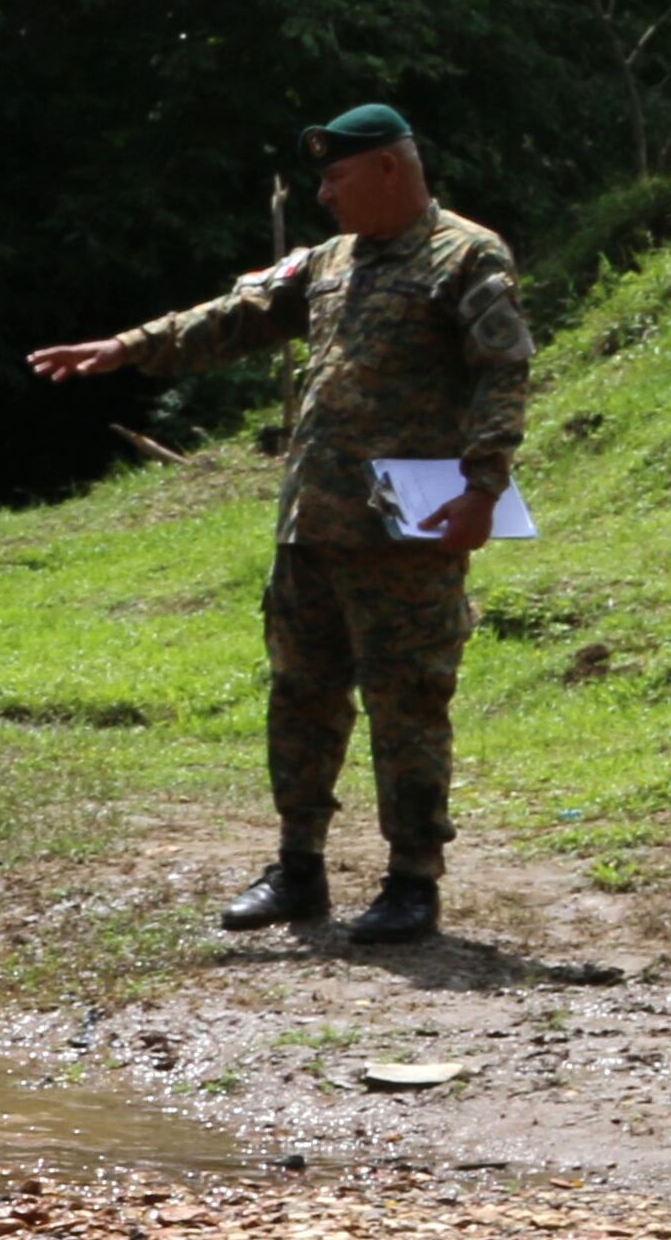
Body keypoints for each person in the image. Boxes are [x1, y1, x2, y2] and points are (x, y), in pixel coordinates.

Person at [29, 102, 534, 944]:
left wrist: (484, 487)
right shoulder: (328, 261)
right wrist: (125, 347)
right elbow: (235, 317)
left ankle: (413, 879)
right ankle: (298, 868)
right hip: (311, 525)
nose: (325, 194)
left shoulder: (466, 254)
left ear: (389, 169)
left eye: (337, 176)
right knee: (301, 698)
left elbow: (503, 368)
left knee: (408, 701)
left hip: (406, 530)